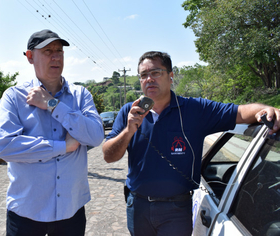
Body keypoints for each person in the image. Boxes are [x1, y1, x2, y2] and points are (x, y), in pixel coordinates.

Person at [102, 51, 280, 236]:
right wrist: (129, 130)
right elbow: (108, 156)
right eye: (143, 75)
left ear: (171, 77)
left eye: (156, 73)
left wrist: (269, 109)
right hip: (138, 207)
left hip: (176, 210)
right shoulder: (129, 112)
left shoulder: (195, 110)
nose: (149, 79)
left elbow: (240, 113)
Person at [0, 29, 104, 236]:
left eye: (59, 51)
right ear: (30, 56)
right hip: (26, 213)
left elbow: (96, 136)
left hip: (71, 211)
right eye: (47, 51)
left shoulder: (80, 95)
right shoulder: (14, 97)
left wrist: (52, 105)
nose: (55, 57)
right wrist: (63, 147)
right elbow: (6, 147)